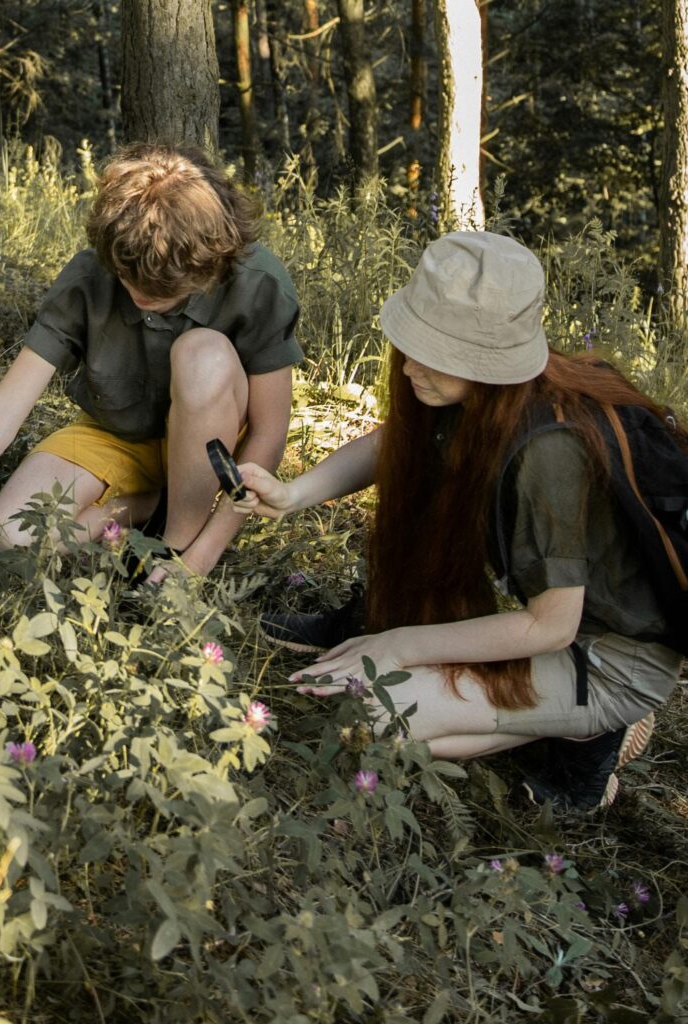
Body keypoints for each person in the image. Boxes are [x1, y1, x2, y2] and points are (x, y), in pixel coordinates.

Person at [233, 231, 684, 813]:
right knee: (378, 703)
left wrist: (399, 645)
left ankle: (591, 727)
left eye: (440, 351)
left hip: (609, 657)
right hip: (558, 629)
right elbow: (395, 443)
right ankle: (555, 716)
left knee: (374, 714)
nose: (413, 365)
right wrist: (294, 493)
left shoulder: (548, 452)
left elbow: (552, 626)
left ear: (491, 360)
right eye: (414, 341)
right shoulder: (481, 394)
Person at [0, 143, 301, 582]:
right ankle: (147, 504)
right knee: (5, 536)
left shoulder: (257, 282)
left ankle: (175, 543)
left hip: (212, 445)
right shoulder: (90, 276)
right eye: (128, 278)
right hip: (117, 438)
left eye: (163, 288)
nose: (141, 294)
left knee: (202, 354)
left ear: (209, 262)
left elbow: (268, 432)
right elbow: (0, 414)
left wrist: (199, 559)